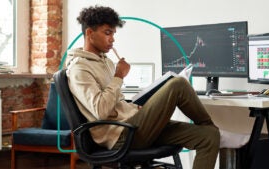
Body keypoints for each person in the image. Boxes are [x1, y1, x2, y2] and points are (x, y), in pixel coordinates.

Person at [65, 5, 220, 169]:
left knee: (209, 136)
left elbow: (116, 103)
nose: (112, 39)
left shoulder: (106, 62)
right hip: (122, 135)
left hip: (135, 126)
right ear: (89, 33)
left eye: (113, 34)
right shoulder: (79, 69)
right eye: (107, 33)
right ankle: (208, 124)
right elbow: (100, 110)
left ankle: (210, 129)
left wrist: (133, 107)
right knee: (178, 84)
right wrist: (118, 76)